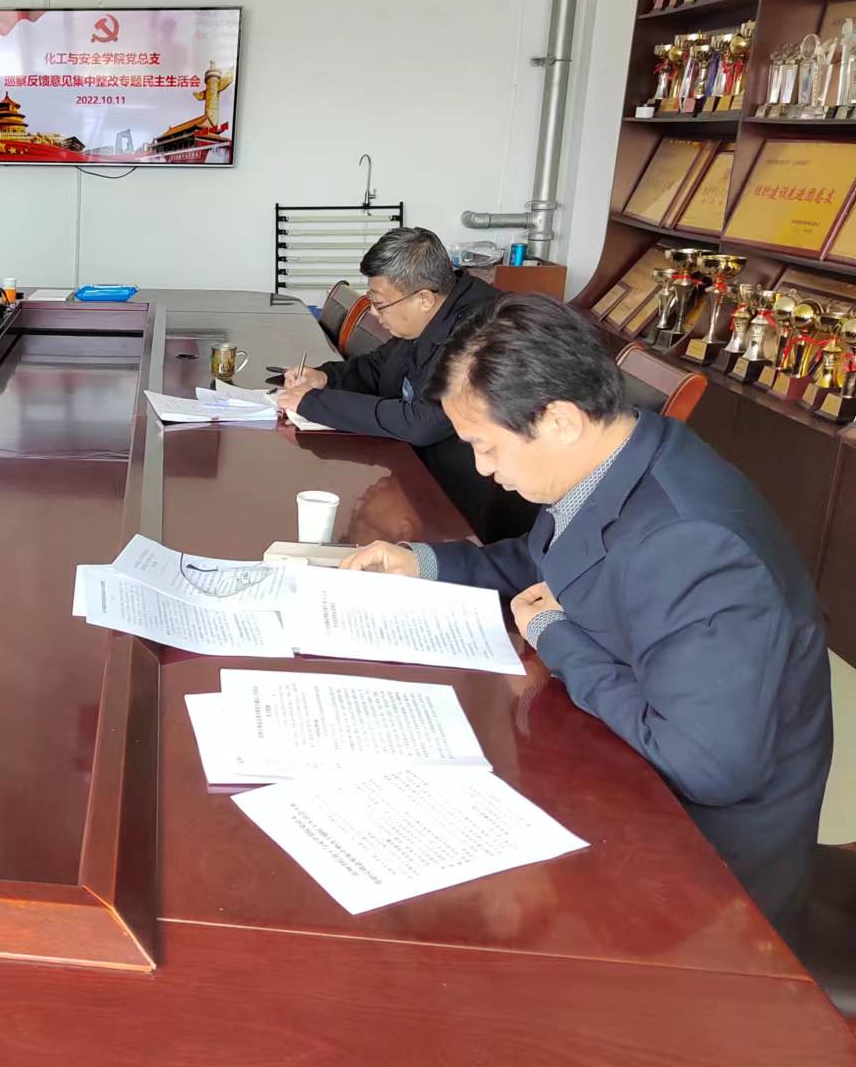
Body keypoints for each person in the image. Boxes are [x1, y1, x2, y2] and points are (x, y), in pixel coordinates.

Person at [341, 293, 833, 939]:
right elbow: (546, 557)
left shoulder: (692, 543)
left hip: (702, 877)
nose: (483, 470)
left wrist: (558, 638)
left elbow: (707, 767)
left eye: (487, 447)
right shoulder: (624, 455)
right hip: (620, 779)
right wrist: (423, 563)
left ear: (560, 420)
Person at [275, 227, 536, 539]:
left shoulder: (483, 332)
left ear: (424, 299)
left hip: (466, 513)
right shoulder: (433, 313)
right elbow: (380, 366)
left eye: (380, 304)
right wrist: (326, 377)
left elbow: (423, 421)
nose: (374, 314)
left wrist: (314, 404)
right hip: (414, 477)